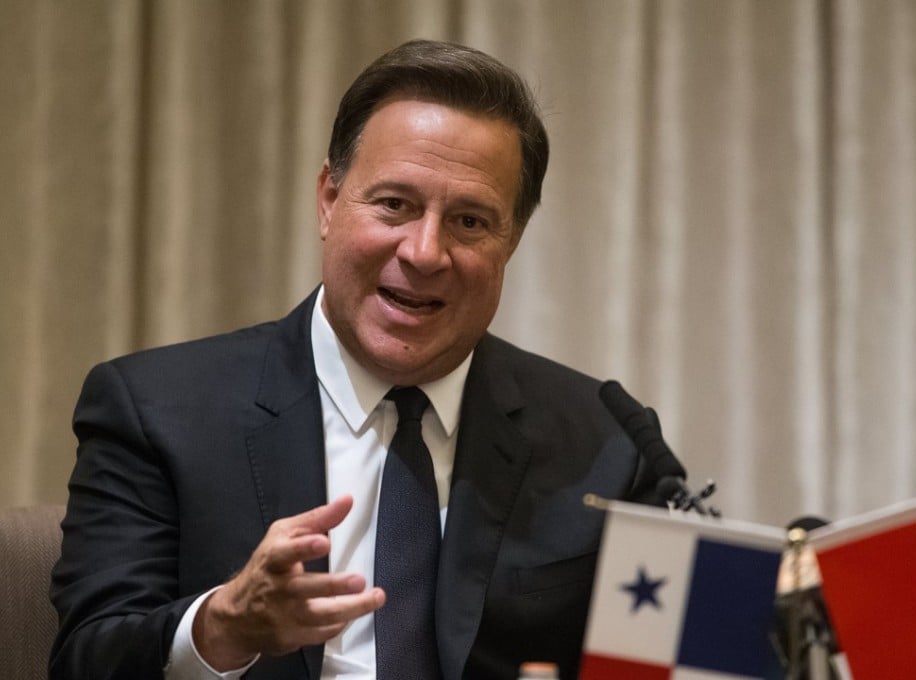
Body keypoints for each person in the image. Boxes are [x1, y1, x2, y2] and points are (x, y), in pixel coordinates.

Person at [50, 39, 662, 680]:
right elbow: (85, 661)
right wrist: (222, 627)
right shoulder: (156, 410)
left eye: (470, 222)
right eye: (394, 204)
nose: (425, 253)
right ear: (328, 199)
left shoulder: (603, 440)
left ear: (512, 240)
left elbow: (657, 661)